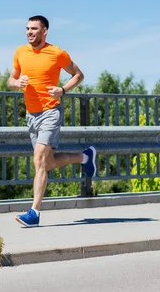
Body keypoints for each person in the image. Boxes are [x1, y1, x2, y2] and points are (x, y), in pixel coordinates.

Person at [8, 15, 97, 227]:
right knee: (46, 163)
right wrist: (16, 82)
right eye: (27, 28)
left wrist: (63, 90)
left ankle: (34, 213)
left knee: (38, 159)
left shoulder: (56, 53)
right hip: (31, 115)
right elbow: (11, 80)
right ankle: (85, 157)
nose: (29, 32)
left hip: (50, 112)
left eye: (34, 29)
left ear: (44, 31)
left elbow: (78, 75)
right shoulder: (20, 52)